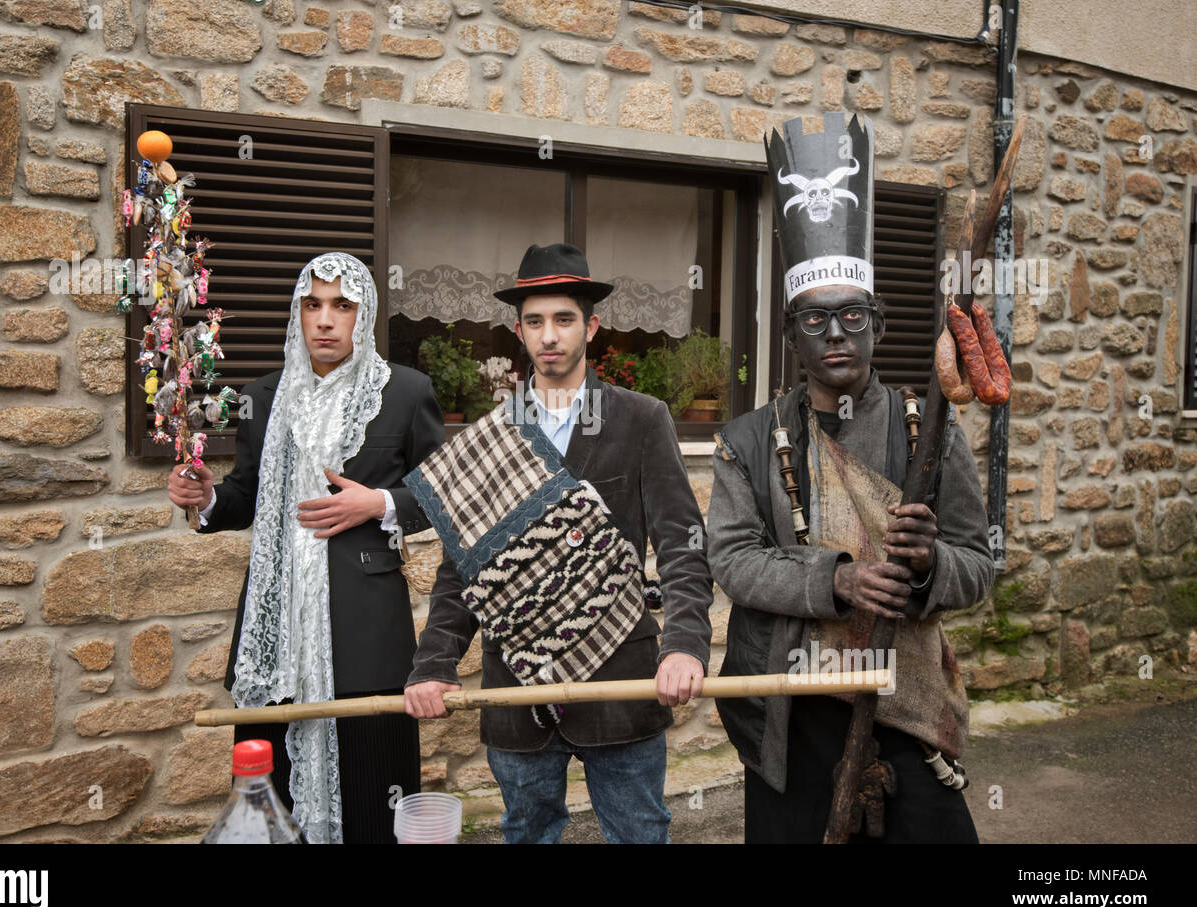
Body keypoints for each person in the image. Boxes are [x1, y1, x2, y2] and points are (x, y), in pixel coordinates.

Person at [708, 112, 996, 843]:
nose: (834, 334)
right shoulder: (748, 440)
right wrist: (836, 579)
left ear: (879, 324)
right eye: (814, 321)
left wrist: (930, 565)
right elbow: (732, 558)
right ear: (791, 333)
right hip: (788, 707)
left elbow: (978, 563)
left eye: (851, 318)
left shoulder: (927, 433)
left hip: (902, 700)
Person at [402, 242, 714, 843]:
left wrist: (685, 646)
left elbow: (682, 544)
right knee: (527, 833)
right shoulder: (494, 435)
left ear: (591, 326)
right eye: (536, 322)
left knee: (640, 833)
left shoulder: (642, 418)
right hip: (517, 686)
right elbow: (462, 568)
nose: (550, 336)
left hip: (621, 677)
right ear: (518, 331)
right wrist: (435, 663)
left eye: (564, 319)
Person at [168, 252, 445, 844]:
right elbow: (246, 493)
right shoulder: (263, 396)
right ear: (297, 314)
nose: (325, 320)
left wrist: (379, 504)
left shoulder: (404, 392)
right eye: (312, 305)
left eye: (341, 306)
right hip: (278, 630)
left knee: (374, 786)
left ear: (363, 315)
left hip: (365, 630)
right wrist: (208, 498)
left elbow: (444, 496)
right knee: (276, 792)